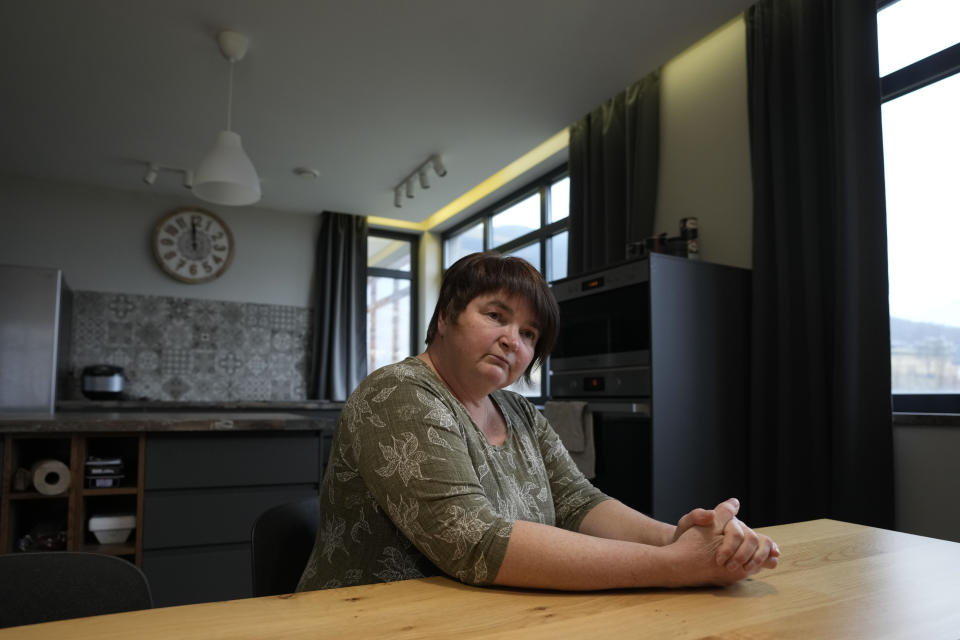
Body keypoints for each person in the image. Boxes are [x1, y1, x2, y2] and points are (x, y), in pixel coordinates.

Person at [297, 252, 779, 592]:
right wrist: (672, 565)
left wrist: (675, 536)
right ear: (445, 317)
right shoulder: (398, 393)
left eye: (529, 333)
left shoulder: (520, 411)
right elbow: (476, 541)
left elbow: (577, 502)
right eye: (495, 315)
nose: (513, 341)